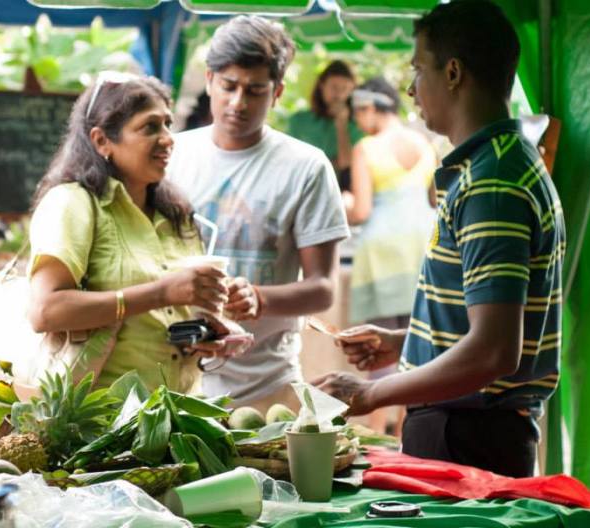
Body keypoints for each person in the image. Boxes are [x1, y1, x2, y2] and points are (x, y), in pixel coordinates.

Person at [314, 0, 566, 478]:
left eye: (418, 70)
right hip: (470, 427)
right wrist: (404, 342)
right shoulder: (498, 163)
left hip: (468, 433)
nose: (410, 89)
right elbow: (487, 325)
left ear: (453, 73)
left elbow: (494, 352)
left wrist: (370, 393)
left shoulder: (493, 183)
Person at [168, 16, 350, 413]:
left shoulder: (306, 166)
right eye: (229, 86)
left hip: (269, 387)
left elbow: (323, 287)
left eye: (255, 90)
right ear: (210, 80)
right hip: (175, 383)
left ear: (277, 92)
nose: (238, 102)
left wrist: (260, 298)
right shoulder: (170, 157)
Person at [27, 73, 249, 393]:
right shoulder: (73, 204)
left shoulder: (175, 213)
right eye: (150, 127)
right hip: (102, 426)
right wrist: (161, 292)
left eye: (168, 124)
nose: (168, 138)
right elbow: (45, 311)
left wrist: (212, 327)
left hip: (180, 417)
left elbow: (167, 319)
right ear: (102, 140)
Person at [344, 77, 437, 435]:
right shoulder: (424, 142)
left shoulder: (367, 147)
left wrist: (347, 203)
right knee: (415, 340)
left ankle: (375, 428)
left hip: (382, 252)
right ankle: (406, 428)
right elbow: (432, 199)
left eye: (357, 113)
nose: (356, 122)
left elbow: (362, 210)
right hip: (421, 247)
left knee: (377, 342)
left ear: (370, 108)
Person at [287, 60, 362, 191]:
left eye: (344, 89)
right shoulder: (299, 120)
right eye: (334, 87)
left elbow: (346, 165)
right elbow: (292, 162)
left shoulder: (357, 126)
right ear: (322, 85)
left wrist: (341, 125)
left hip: (340, 193)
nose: (338, 94)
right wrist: (331, 163)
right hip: (304, 188)